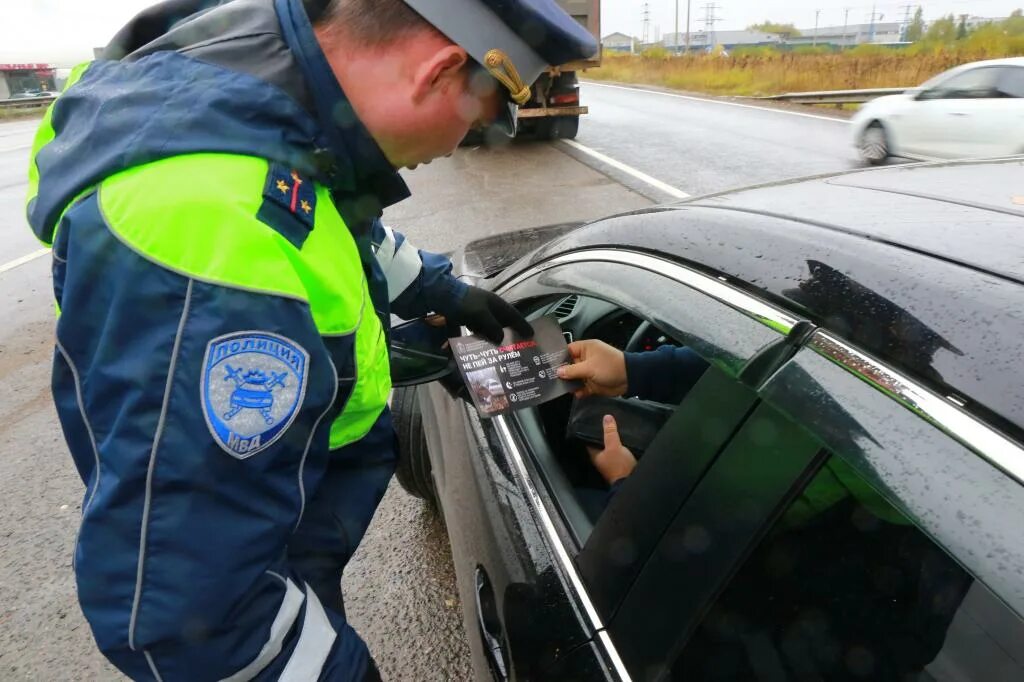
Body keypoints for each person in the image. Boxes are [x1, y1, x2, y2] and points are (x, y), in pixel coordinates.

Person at [26, 0, 596, 679]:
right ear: (440, 70)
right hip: (271, 556)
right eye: (477, 122)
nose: (458, 145)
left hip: (294, 515)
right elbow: (196, 617)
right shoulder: (205, 225)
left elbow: (329, 221)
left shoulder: (267, 110)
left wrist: (442, 294)